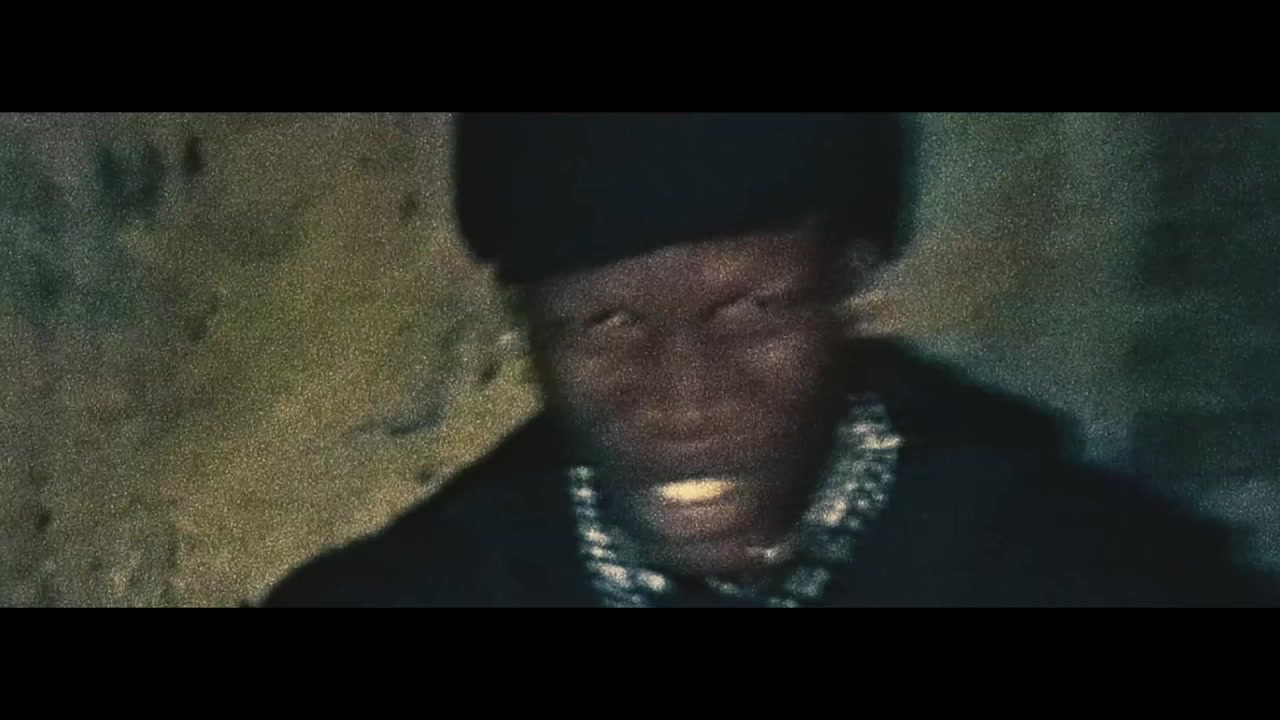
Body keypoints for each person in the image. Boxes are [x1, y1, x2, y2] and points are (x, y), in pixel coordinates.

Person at [262, 113, 1277, 607]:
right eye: (604, 324)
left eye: (749, 310)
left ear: (851, 288)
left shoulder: (1097, 576)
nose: (683, 397)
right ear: (527, 332)